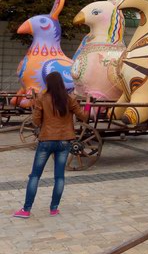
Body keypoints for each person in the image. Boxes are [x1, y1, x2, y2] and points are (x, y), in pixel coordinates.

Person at [13, 71, 90, 218]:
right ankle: (54, 208)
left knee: (35, 176)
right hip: (64, 141)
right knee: (59, 177)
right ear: (61, 84)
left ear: (48, 84)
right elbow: (84, 117)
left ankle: (26, 209)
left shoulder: (42, 98)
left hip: (46, 140)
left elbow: (35, 121)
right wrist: (87, 104)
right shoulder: (69, 99)